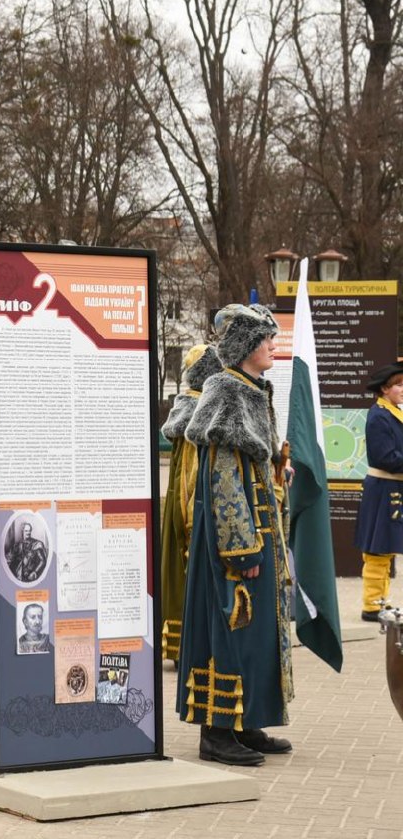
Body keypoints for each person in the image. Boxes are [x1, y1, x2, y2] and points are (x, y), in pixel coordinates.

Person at [178, 303, 293, 766]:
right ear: (245, 344)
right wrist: (240, 545)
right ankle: (217, 731)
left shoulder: (253, 388)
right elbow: (224, 478)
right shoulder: (227, 390)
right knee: (229, 629)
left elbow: (254, 468)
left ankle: (247, 721)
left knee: (257, 631)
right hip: (237, 540)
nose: (273, 344)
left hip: (260, 532)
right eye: (266, 338)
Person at [159, 343, 222, 662]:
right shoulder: (199, 416)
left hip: (180, 515)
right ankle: (191, 646)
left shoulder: (192, 409)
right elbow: (189, 481)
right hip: (190, 518)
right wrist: (191, 528)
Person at [354, 361, 403, 621]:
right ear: (385, 388)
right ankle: (372, 605)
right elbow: (386, 457)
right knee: (378, 548)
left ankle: (381, 601)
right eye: (399, 385)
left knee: (386, 548)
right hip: (383, 487)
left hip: (393, 486)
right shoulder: (379, 415)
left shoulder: (393, 411)